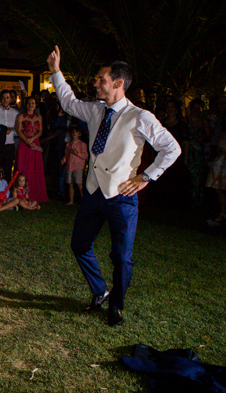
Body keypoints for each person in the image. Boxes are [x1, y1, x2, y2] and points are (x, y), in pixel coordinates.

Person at [47, 46, 181, 327]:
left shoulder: (140, 117)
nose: (96, 83)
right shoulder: (97, 110)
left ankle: (116, 306)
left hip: (121, 197)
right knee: (79, 244)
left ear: (118, 84)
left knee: (121, 257)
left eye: (101, 79)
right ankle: (100, 291)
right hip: (94, 193)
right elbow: (69, 102)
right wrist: (56, 72)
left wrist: (146, 177)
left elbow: (172, 148)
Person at [15, 96, 49, 202]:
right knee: (23, 166)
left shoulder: (39, 117)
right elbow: (18, 130)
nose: (31, 105)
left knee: (35, 167)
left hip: (35, 143)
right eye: (29, 103)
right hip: (24, 143)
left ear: (35, 105)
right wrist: (26, 140)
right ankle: (20, 194)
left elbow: (40, 131)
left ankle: (35, 193)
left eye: (33, 103)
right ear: (26, 105)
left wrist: (32, 139)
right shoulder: (21, 116)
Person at [61, 125, 88, 205]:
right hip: (70, 166)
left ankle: (84, 201)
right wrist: (64, 160)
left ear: (79, 134)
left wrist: (78, 153)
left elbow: (85, 156)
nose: (74, 134)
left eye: (76, 132)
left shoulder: (82, 144)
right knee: (70, 184)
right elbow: (67, 155)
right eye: (73, 132)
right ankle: (71, 201)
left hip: (78, 166)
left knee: (79, 184)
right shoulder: (68, 145)